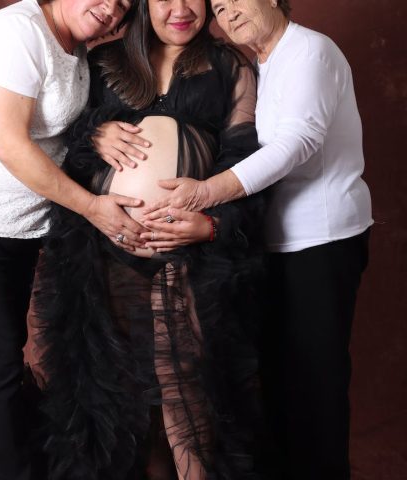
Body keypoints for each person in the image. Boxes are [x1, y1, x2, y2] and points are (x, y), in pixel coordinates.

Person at [34, 0, 267, 478]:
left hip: (194, 251)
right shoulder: (102, 62)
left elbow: (250, 166)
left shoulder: (229, 65)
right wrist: (94, 135)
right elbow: (61, 150)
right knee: (118, 384)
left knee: (187, 382)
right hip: (104, 248)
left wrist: (214, 224)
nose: (180, 9)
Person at [142, 0, 373, 479]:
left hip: (320, 241)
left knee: (316, 386)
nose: (228, 12)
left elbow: (297, 143)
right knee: (276, 385)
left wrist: (206, 192)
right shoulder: (261, 64)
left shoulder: (310, 51)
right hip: (272, 244)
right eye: (219, 6)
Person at [0, 0, 140, 478]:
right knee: (0, 368)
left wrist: (98, 134)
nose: (111, 7)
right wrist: (91, 207)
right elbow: (10, 143)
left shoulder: (77, 46)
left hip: (24, 221)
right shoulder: (18, 34)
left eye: (125, 2)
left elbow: (60, 133)